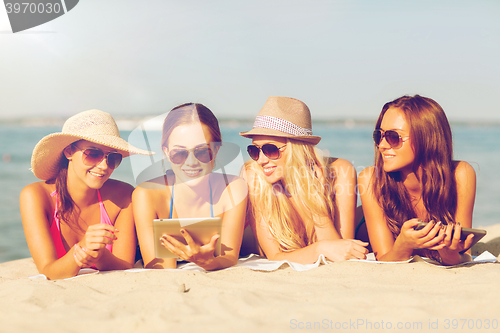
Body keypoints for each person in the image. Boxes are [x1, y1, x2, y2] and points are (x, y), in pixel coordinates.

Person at [20, 109, 154, 280]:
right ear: (69, 152)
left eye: (112, 158)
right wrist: (82, 250)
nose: (104, 166)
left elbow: (125, 264)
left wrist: (99, 255)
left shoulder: (123, 196)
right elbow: (47, 271)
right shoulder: (35, 196)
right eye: (93, 154)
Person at [239, 96, 368, 264]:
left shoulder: (340, 171)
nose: (261, 160)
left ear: (296, 148)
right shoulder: (254, 174)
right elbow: (275, 256)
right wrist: (320, 248)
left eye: (270, 149)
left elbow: (342, 252)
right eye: (254, 150)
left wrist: (315, 204)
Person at [358, 95, 476, 265]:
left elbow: (463, 255)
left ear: (426, 139)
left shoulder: (460, 174)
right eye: (379, 135)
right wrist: (403, 246)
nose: (381, 145)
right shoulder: (370, 179)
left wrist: (448, 253)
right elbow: (383, 259)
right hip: (360, 227)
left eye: (393, 137)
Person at [132, 103, 247, 270]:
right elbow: (160, 268)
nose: (192, 162)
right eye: (179, 153)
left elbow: (229, 257)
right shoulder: (146, 194)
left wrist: (208, 262)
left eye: (202, 152)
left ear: (216, 151)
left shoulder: (233, 188)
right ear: (166, 152)